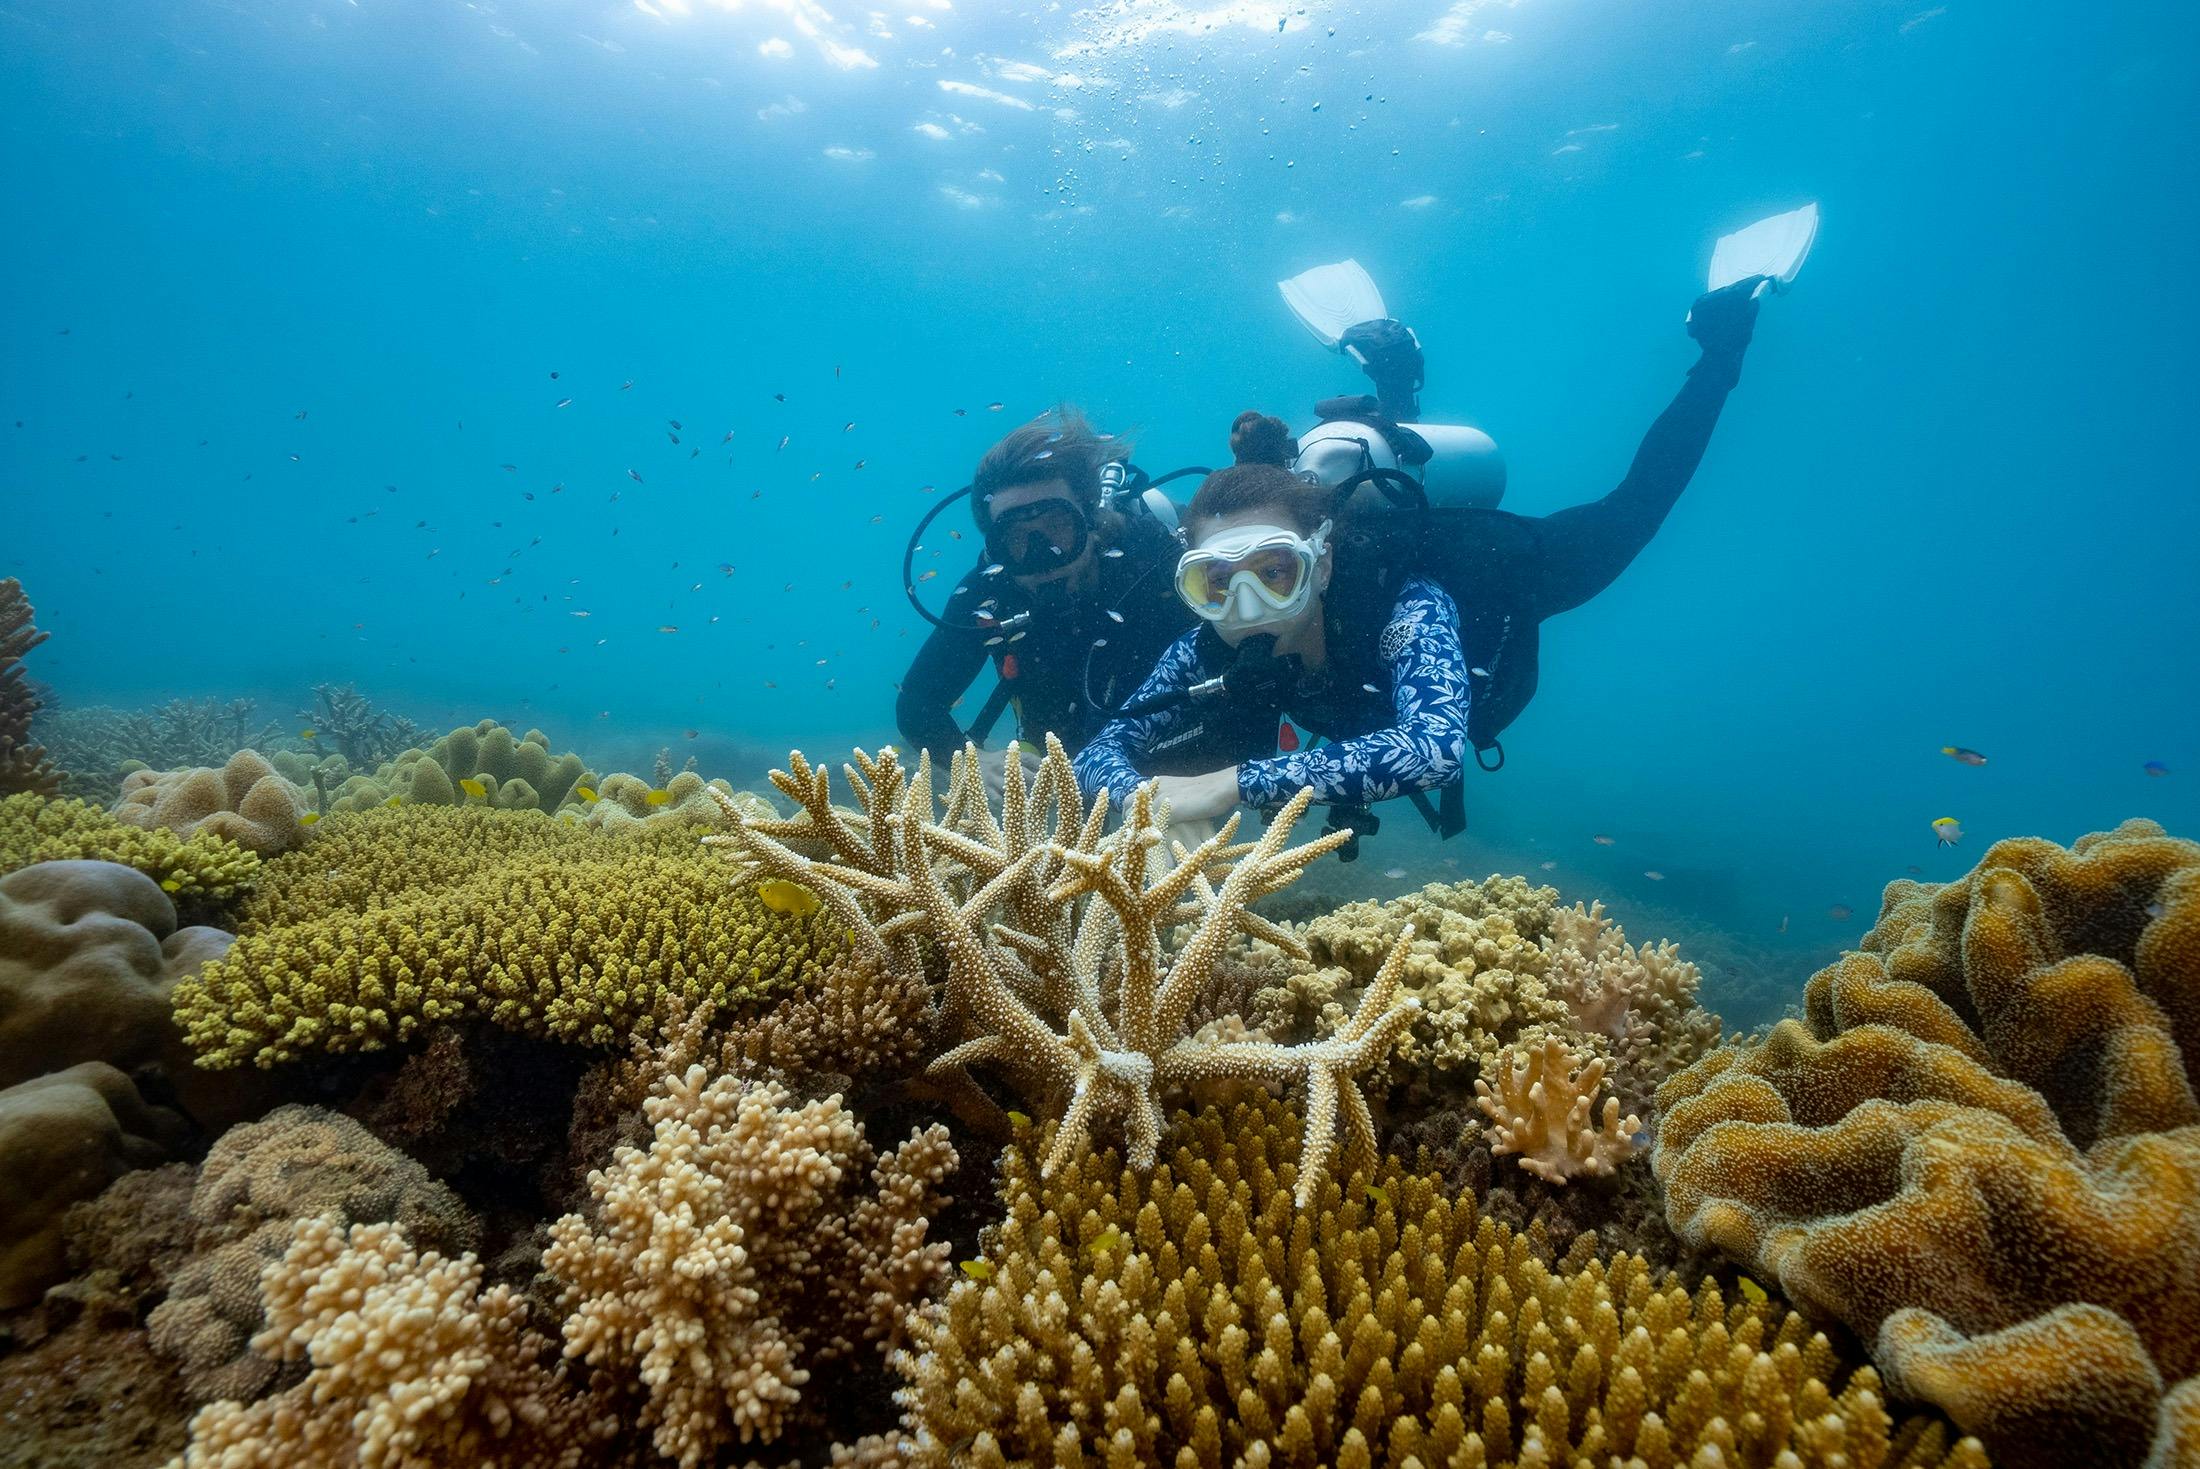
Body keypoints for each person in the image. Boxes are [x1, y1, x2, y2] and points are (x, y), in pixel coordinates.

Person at [1072, 276, 1769, 843]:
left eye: (1275, 571)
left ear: (1323, 561)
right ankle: (1391, 397)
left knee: (1632, 514)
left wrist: (1228, 784)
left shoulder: (1406, 602)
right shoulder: (1205, 647)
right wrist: (1140, 795)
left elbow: (1434, 747)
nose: (1246, 605)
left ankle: (1723, 349)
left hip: (1506, 577)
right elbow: (1097, 753)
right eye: (1216, 583)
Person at [894, 410, 1195, 773]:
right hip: (1062, 758)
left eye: (1057, 527)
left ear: (1090, 518)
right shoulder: (989, 594)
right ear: (996, 547)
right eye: (1018, 539)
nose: (1043, 555)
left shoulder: (1153, 559)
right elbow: (918, 703)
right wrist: (966, 763)